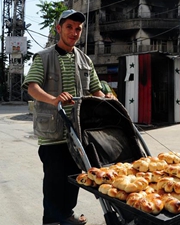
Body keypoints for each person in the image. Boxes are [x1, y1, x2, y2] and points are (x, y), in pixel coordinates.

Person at [22, 9, 115, 225]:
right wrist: (54, 99)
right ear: (59, 29)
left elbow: (95, 89)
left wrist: (107, 99)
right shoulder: (43, 57)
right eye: (69, 27)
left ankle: (66, 215)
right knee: (54, 181)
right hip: (52, 134)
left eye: (78, 29)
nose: (74, 32)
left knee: (74, 178)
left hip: (78, 132)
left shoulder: (85, 60)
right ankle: (52, 221)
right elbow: (32, 87)